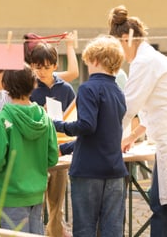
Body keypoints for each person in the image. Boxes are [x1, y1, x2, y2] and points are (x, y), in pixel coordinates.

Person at [109, 5, 167, 237]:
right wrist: (131, 136)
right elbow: (150, 107)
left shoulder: (144, 62)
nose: (120, 54)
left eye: (118, 46)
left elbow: (128, 107)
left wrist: (109, 139)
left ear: (126, 38)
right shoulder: (149, 58)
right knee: (160, 204)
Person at [53, 35, 128, 237]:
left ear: (95, 60)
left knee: (85, 228)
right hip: (114, 169)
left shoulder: (88, 88)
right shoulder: (118, 92)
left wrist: (57, 125)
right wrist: (67, 147)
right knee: (112, 229)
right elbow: (103, 133)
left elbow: (87, 126)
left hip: (88, 170)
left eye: (87, 62)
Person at [0, 64, 58, 234]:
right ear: (34, 84)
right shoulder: (45, 117)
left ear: (5, 86)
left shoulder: (1, 119)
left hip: (11, 194)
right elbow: (53, 158)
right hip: (37, 193)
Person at [28, 41, 75, 237]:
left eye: (47, 67)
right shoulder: (29, 88)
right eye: (38, 67)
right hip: (34, 154)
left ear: (55, 66)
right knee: (34, 204)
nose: (42, 72)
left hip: (59, 151)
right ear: (32, 66)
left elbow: (74, 118)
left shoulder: (66, 89)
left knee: (57, 205)